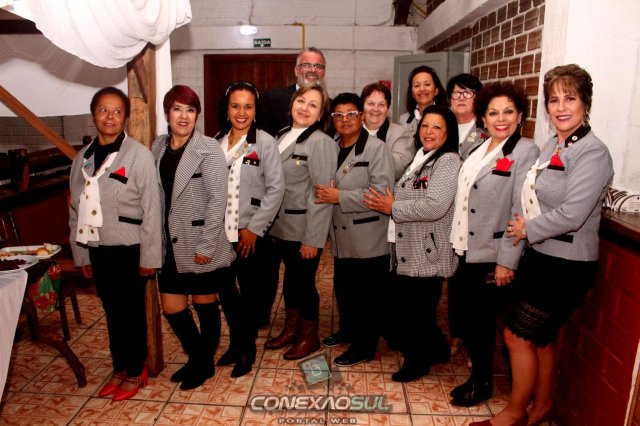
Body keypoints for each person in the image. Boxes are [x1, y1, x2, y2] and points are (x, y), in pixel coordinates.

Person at [477, 65, 614, 426]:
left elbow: (573, 214)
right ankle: (543, 405)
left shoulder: (593, 153)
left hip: (568, 264)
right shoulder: (553, 144)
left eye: (570, 98)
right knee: (541, 337)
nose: (561, 107)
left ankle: (514, 413)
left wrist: (527, 229)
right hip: (540, 256)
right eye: (554, 100)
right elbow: (530, 194)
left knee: (516, 335)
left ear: (585, 104)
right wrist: (524, 230)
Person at [448, 82, 539, 408]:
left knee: (483, 322)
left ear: (520, 115)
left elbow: (520, 209)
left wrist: (506, 261)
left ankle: (483, 383)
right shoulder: (479, 148)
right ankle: (477, 376)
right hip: (466, 248)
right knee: (471, 321)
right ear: (483, 118)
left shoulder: (525, 151)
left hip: (493, 253)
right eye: (493, 113)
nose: (501, 119)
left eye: (508, 112)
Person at [69, 87, 161, 401]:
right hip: (97, 248)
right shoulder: (82, 158)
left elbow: (152, 209)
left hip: (130, 248)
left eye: (117, 111)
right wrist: (81, 255)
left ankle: (136, 370)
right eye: (103, 110)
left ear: (125, 117)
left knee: (131, 313)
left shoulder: (138, 155)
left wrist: (150, 256)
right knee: (111, 312)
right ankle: (120, 367)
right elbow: (75, 210)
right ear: (93, 115)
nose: (110, 117)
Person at [365, 105, 461, 381]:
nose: (429, 132)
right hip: (410, 246)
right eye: (425, 126)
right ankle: (438, 350)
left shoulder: (447, 161)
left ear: (449, 132)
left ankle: (417, 362)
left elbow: (436, 206)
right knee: (414, 308)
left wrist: (393, 207)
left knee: (417, 311)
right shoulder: (422, 156)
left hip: (427, 249)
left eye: (437, 127)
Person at [151, 85, 236, 390]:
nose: (183, 116)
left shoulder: (208, 148)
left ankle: (201, 364)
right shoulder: (157, 147)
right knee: (172, 308)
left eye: (190, 110)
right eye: (177, 109)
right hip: (169, 242)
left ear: (197, 114)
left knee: (204, 305)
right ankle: (200, 359)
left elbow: (218, 200)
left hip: (200, 240)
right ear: (167, 113)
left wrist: (207, 244)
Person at [315, 93, 394, 366]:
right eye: (338, 115)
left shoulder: (376, 148)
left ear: (361, 116)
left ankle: (364, 346)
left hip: (368, 236)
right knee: (345, 291)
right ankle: (348, 331)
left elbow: (379, 194)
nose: (345, 120)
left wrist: (340, 197)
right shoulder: (332, 147)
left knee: (366, 298)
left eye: (351, 114)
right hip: (340, 236)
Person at [213, 81, 285, 377]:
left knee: (250, 296)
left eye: (248, 107)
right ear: (227, 109)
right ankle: (235, 345)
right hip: (221, 234)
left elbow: (276, 188)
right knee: (227, 294)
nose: (241, 112)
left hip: (250, 235)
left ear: (256, 111)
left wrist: (254, 229)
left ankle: (247, 351)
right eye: (235, 106)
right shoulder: (216, 141)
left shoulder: (265, 142)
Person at [263, 83, 338, 360]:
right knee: (291, 283)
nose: (305, 108)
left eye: (313, 105)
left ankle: (309, 337)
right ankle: (291, 329)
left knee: (305, 284)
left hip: (303, 230)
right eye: (301, 101)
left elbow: (321, 195)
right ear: (292, 103)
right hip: (281, 228)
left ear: (321, 115)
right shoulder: (282, 134)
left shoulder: (321, 142)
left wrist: (313, 239)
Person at [258, 47, 327, 137]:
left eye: (318, 66)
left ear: (324, 73)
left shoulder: (329, 105)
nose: (313, 70)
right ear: (296, 70)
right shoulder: (272, 99)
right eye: (307, 65)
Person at [360, 82, 415, 180]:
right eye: (371, 104)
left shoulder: (400, 133)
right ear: (362, 107)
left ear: (387, 109)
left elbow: (399, 170)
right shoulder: (352, 131)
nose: (375, 109)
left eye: (381, 105)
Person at [398, 65, 447, 139]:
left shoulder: (447, 116)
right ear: (412, 93)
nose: (422, 89)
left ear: (436, 91)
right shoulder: (403, 119)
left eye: (427, 84)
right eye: (417, 85)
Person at [446, 73, 486, 160]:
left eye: (467, 93)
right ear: (450, 99)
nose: (461, 98)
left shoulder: (486, 129)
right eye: (456, 93)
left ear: (477, 98)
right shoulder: (442, 126)